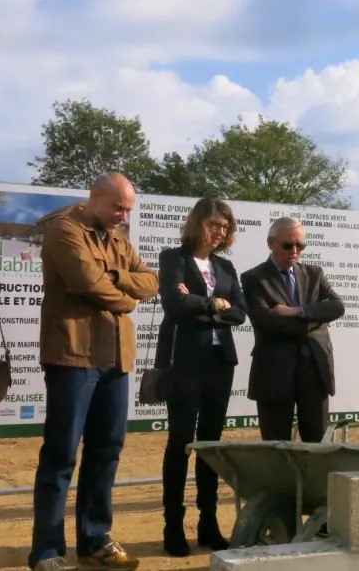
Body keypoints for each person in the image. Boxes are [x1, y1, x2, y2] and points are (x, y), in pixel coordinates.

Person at [29, 172, 157, 571]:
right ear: (96, 196)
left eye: (128, 209)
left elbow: (152, 281)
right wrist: (126, 300)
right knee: (61, 453)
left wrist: (118, 278)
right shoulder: (64, 228)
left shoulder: (118, 238)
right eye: (118, 207)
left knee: (106, 452)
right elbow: (85, 281)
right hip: (73, 355)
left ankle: (95, 538)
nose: (123, 216)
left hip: (116, 358)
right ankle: (48, 550)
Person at [157, 198, 247, 556]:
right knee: (180, 441)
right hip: (184, 361)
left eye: (224, 227)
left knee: (210, 444)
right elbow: (173, 305)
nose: (219, 231)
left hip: (219, 361)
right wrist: (215, 305)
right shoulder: (173, 259)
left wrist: (202, 303)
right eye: (213, 224)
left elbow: (240, 313)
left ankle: (208, 523)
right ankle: (173, 526)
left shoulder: (225, 267)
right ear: (196, 223)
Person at [241, 217, 345, 443]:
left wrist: (296, 311)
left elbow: (337, 307)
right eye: (288, 245)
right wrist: (315, 316)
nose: (295, 251)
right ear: (270, 243)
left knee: (317, 444)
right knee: (277, 446)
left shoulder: (314, 274)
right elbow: (265, 321)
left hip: (314, 370)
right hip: (275, 373)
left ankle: (313, 481)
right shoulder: (253, 278)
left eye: (301, 246)